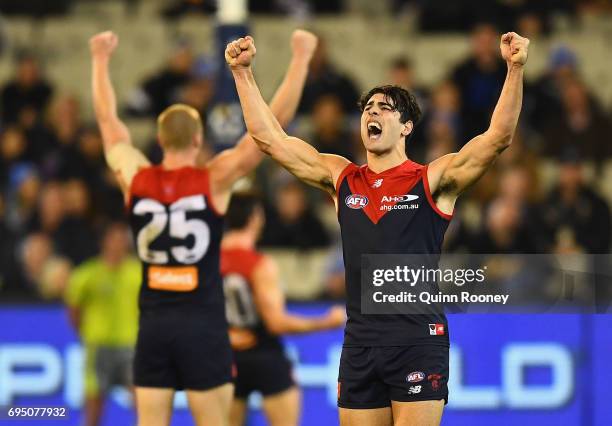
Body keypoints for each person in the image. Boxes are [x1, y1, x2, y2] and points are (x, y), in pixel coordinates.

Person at [225, 31, 529, 426]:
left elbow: (497, 139)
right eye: (368, 107)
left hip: (418, 340)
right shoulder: (342, 177)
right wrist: (242, 73)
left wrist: (515, 68)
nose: (372, 112)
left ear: (406, 127)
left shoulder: (432, 179)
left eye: (385, 108)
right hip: (361, 343)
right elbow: (270, 140)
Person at [89, 28, 317, 426]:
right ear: (198, 139)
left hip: (154, 327)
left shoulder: (136, 178)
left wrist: (99, 60)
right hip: (204, 329)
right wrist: (299, 59)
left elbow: (109, 122)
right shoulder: (213, 179)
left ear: (159, 140)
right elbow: (271, 129)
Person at [220, 192, 345, 426]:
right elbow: (276, 323)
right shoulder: (259, 264)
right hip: (264, 355)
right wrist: (325, 322)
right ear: (255, 218)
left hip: (226, 357)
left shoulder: (211, 261)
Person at [65, 222, 141, 426]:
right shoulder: (87, 274)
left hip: (131, 345)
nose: (118, 244)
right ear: (104, 242)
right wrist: (87, 333)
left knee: (142, 403)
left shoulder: (139, 272)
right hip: (99, 346)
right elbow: (74, 310)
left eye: (121, 239)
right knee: (94, 409)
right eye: (113, 239)